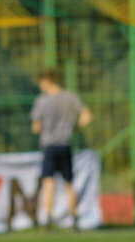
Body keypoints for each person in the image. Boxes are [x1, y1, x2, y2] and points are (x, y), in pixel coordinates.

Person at [30, 69, 91, 229]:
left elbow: (36, 127)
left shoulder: (42, 101)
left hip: (49, 146)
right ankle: (74, 218)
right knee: (69, 183)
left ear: (46, 81)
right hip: (65, 144)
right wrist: (76, 127)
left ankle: (48, 219)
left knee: (48, 182)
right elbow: (86, 115)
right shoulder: (70, 97)